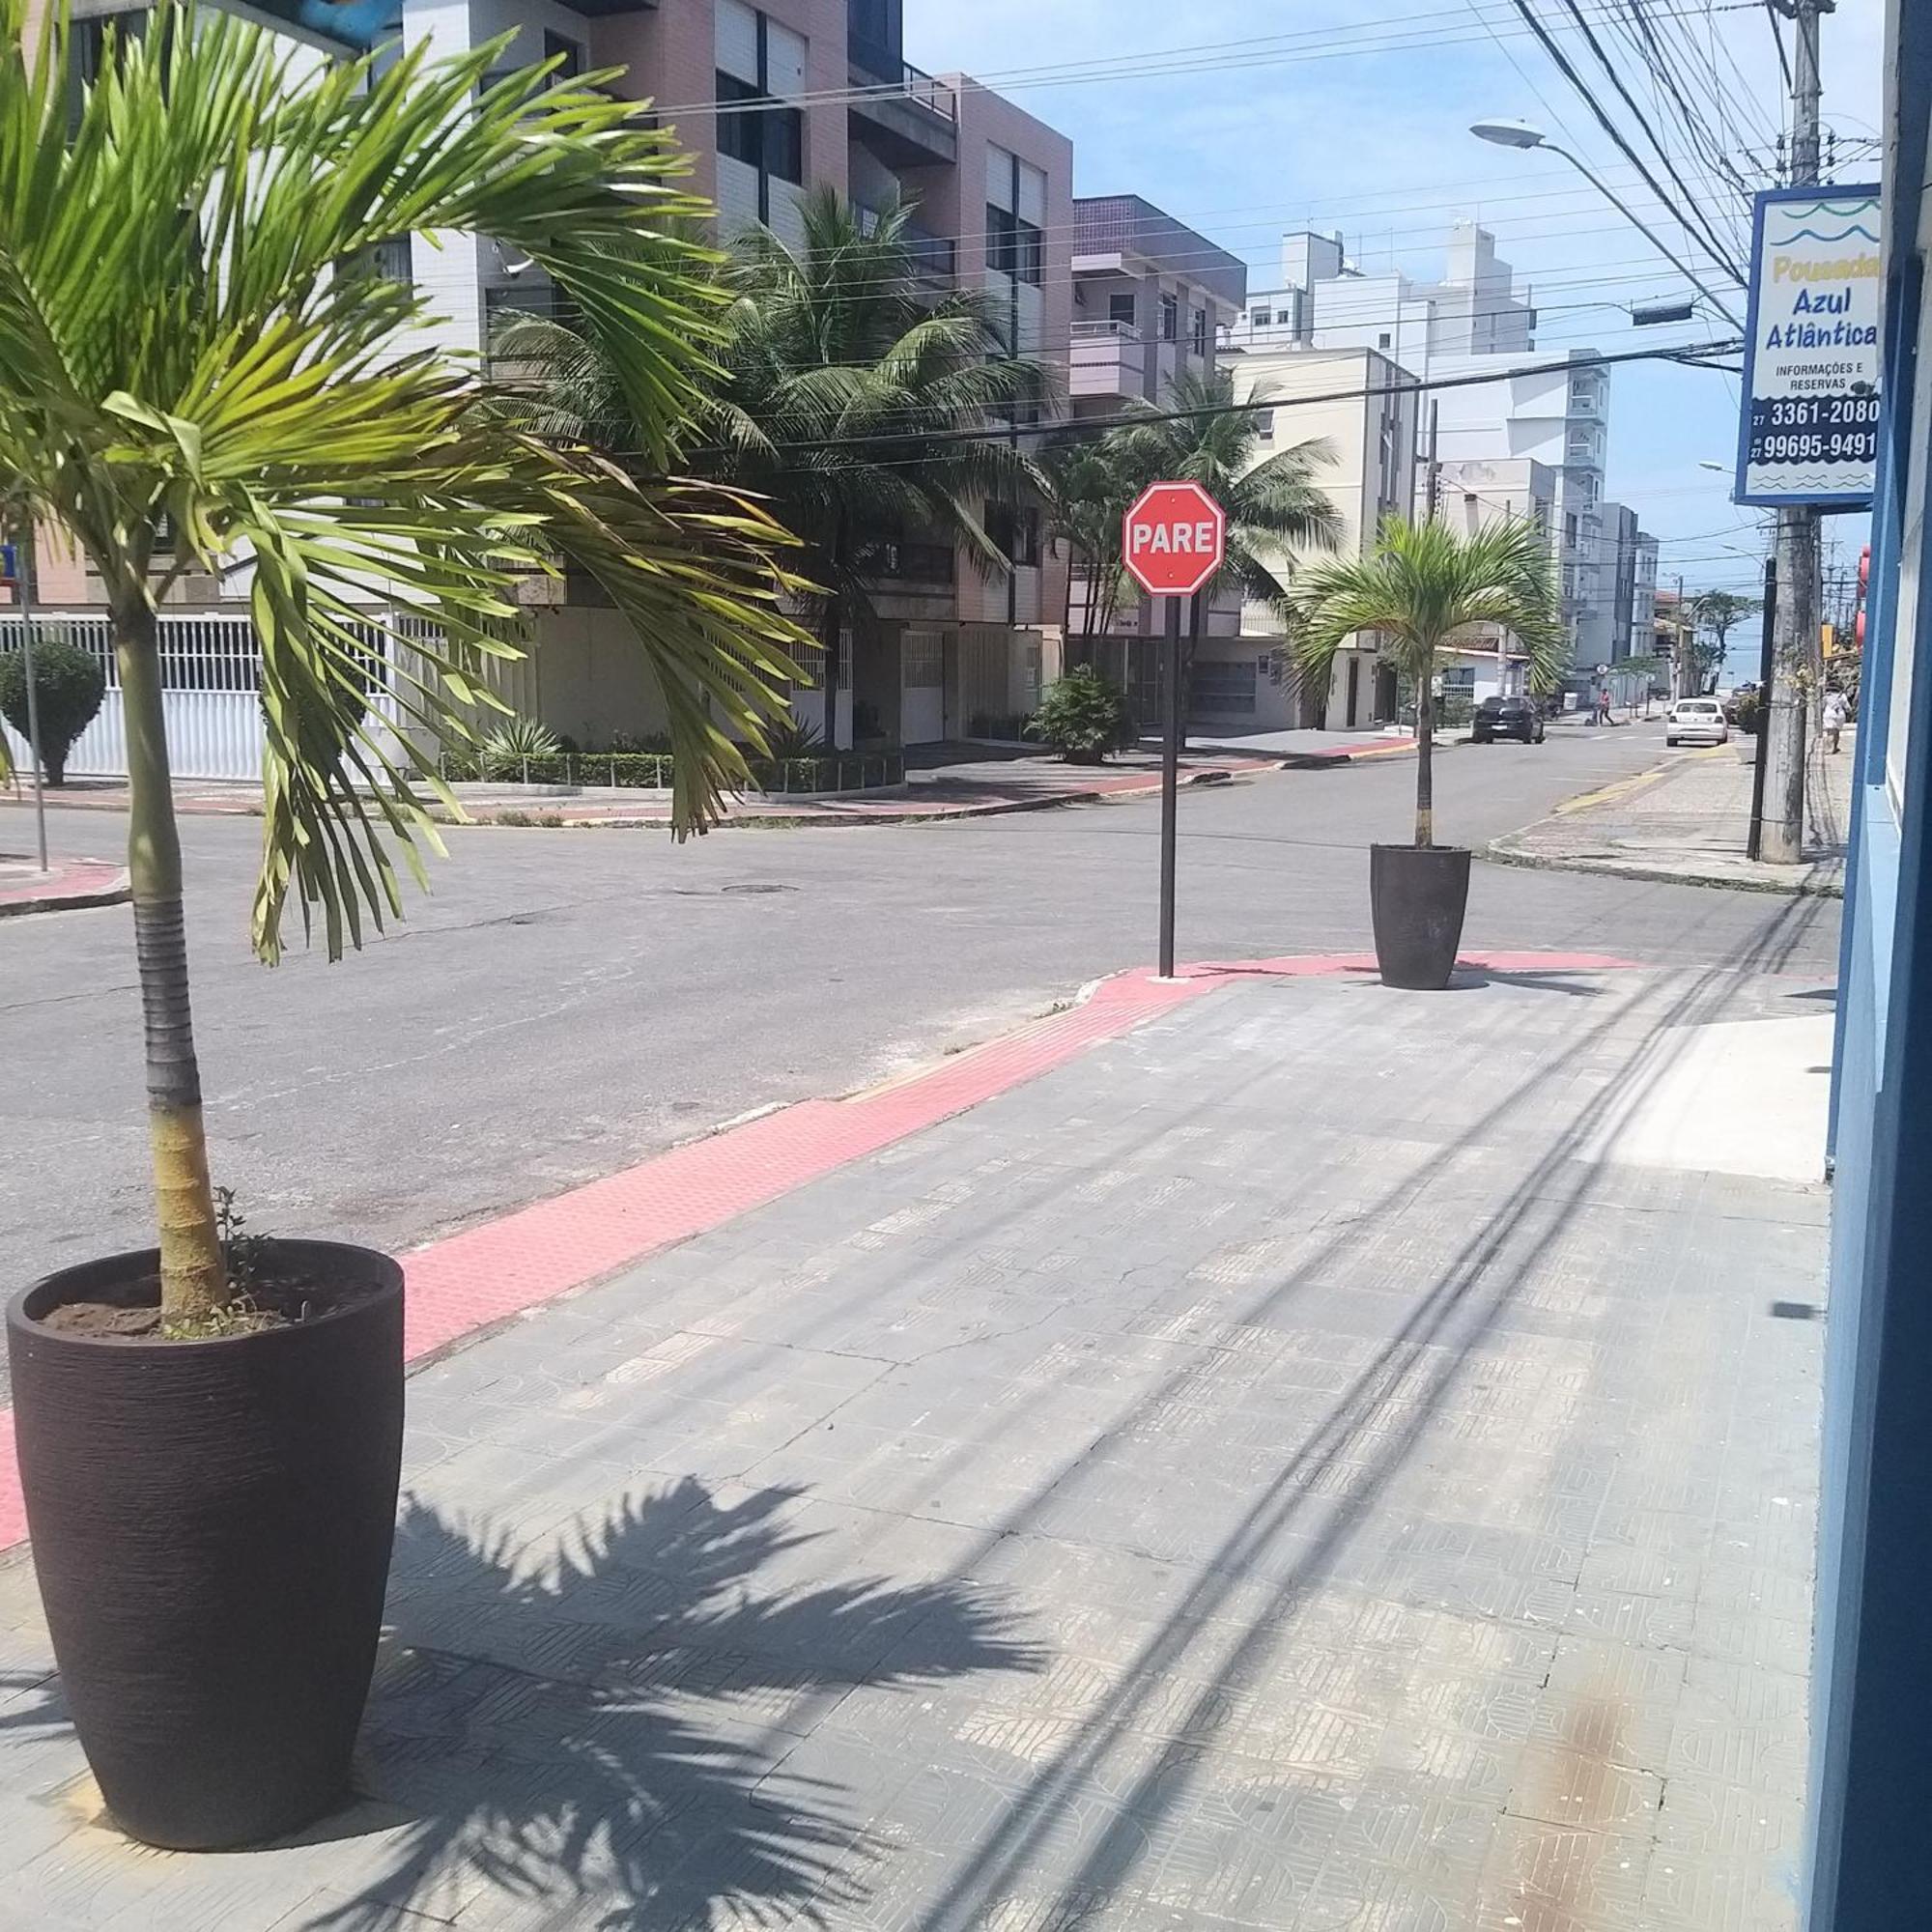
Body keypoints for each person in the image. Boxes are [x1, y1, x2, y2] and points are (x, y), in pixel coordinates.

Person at [1823, 687, 1849, 754]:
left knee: (1830, 732)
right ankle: (1835, 747)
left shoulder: (1826, 696)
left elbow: (1822, 706)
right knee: (1837, 732)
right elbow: (1847, 707)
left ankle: (1829, 749)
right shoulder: (1842, 695)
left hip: (1829, 714)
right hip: (1840, 715)